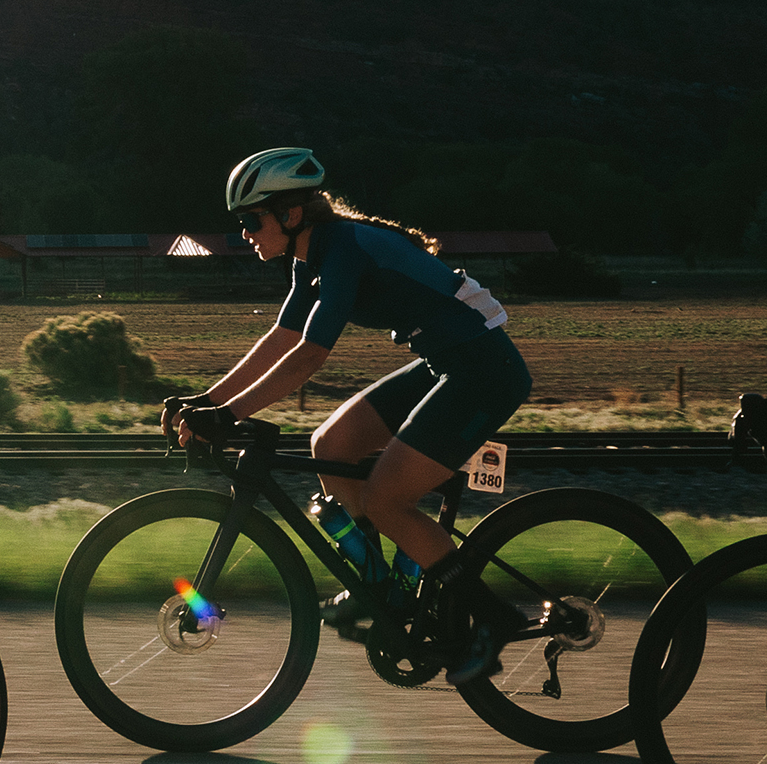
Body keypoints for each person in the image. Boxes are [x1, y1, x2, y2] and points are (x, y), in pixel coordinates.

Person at [162, 147, 528, 683]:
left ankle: (492, 620)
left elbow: (309, 355)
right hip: (445, 362)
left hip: (483, 371)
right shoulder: (312, 256)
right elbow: (281, 338)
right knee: (329, 446)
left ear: (290, 214)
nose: (245, 233)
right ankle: (381, 586)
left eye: (250, 220)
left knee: (385, 498)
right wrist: (210, 404)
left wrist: (230, 413)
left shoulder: (343, 248)